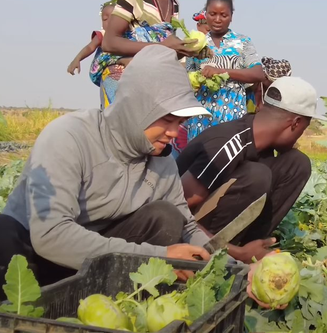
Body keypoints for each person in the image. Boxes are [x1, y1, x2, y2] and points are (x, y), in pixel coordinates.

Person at [0, 45, 213, 288]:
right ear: (137, 108)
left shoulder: (162, 161)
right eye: (166, 119)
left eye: (180, 122)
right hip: (34, 255)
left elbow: (188, 227)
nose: (174, 133)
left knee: (166, 217)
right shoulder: (69, 137)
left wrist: (232, 266)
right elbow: (51, 235)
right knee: (3, 236)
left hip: (93, 259)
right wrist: (161, 257)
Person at [176, 76, 318, 263]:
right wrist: (234, 252)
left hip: (214, 228)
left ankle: (252, 246)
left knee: (296, 164)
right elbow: (175, 214)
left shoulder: (261, 144)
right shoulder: (226, 146)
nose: (300, 136)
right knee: (257, 176)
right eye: (303, 129)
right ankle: (219, 259)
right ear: (295, 123)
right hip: (186, 236)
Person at [97, 0, 198, 109]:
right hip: (123, 79)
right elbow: (110, 42)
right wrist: (162, 47)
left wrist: (190, 51)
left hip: (153, 79)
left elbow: (166, 49)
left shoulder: (174, 2)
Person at [184, 0, 265, 141]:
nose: (217, 19)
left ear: (231, 16)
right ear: (205, 14)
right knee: (200, 162)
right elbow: (187, 80)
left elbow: (258, 73)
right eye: (212, 14)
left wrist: (221, 71)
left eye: (223, 15)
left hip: (233, 118)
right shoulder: (196, 44)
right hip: (201, 119)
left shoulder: (242, 42)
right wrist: (197, 79)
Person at [170, 9, 214, 159]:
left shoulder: (219, 47)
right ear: (198, 27)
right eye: (206, 29)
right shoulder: (191, 46)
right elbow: (189, 73)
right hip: (196, 102)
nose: (208, 33)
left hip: (216, 102)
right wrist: (197, 79)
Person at [67, 0, 122, 77]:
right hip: (103, 70)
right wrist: (77, 59)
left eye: (113, 18)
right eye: (105, 19)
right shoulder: (103, 34)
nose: (109, 22)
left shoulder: (129, 34)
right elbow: (90, 47)